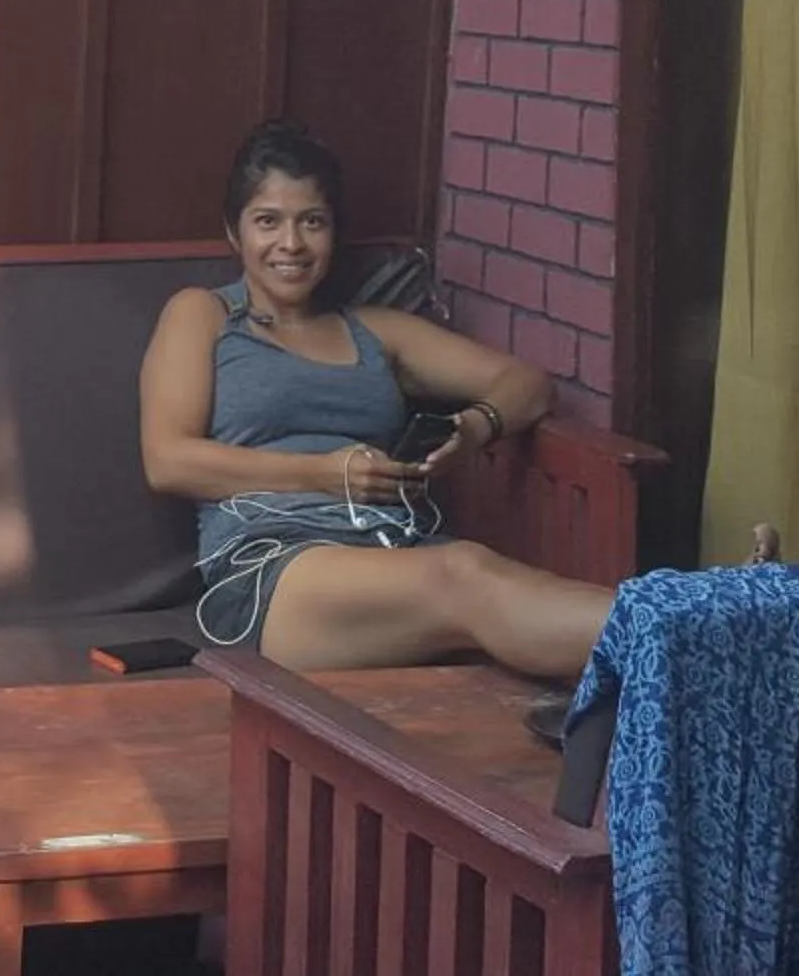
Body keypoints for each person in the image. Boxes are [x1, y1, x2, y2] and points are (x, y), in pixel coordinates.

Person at [138, 119, 613, 681]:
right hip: (270, 567)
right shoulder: (205, 315)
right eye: (268, 221)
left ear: (334, 232)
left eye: (312, 222)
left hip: (395, 546)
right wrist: (324, 474)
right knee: (463, 572)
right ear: (235, 233)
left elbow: (527, 384)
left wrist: (476, 428)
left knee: (469, 576)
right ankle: (682, 630)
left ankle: (686, 629)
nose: (291, 244)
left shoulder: (376, 332)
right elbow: (167, 461)